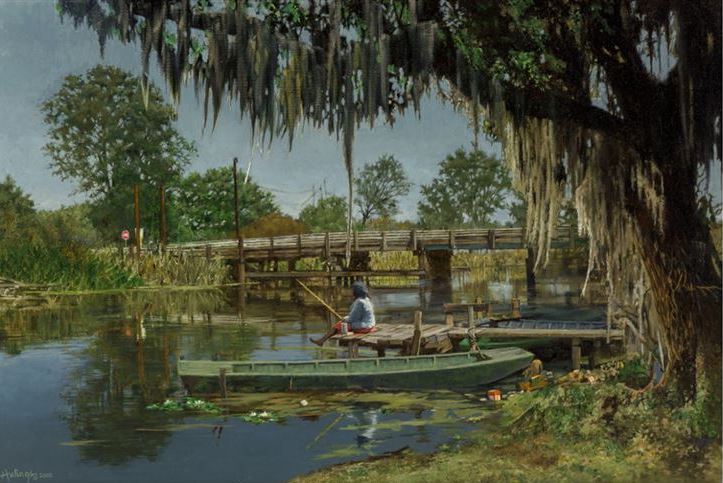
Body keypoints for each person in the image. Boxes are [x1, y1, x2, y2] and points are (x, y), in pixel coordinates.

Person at [310, 281, 376, 346]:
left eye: (352, 290)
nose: (351, 292)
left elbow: (353, 319)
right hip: (370, 324)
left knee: (338, 326)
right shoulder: (367, 299)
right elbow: (358, 316)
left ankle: (321, 341)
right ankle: (322, 341)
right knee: (341, 326)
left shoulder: (359, 302)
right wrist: (346, 318)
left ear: (356, 292)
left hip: (365, 327)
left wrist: (345, 319)